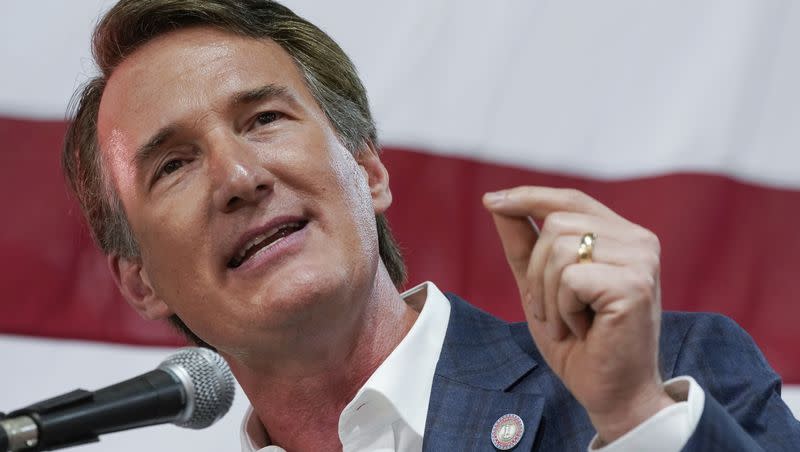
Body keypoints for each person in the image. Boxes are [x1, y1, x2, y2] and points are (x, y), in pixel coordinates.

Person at [61, 1, 800, 450]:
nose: (239, 178)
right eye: (173, 165)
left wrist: (635, 418)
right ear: (140, 281)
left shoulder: (665, 370)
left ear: (370, 173)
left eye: (264, 119)